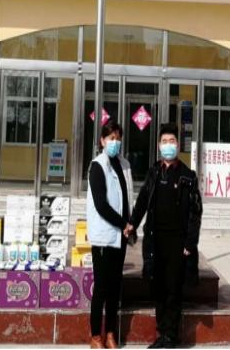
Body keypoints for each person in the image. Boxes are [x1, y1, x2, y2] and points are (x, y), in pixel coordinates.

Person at [127, 123, 203, 349]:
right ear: (159, 146)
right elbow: (143, 201)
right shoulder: (153, 173)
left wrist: (190, 242)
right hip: (155, 240)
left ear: (178, 145)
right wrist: (132, 223)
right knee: (158, 288)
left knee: (173, 289)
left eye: (171, 141)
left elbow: (195, 212)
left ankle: (171, 336)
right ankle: (162, 334)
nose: (168, 145)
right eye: (164, 142)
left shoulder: (187, 176)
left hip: (177, 242)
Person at [87, 120, 135, 349]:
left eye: (117, 138)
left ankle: (110, 335)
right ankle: (96, 336)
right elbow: (101, 205)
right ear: (102, 141)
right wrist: (123, 224)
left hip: (121, 236)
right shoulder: (98, 166)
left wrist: (130, 225)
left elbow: (127, 197)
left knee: (115, 288)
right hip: (105, 236)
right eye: (110, 138)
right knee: (102, 288)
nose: (114, 142)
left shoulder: (124, 165)